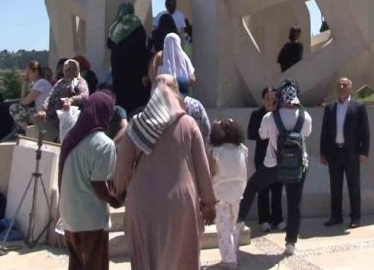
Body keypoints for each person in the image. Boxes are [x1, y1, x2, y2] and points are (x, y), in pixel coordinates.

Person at [114, 76, 216, 270]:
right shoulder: (188, 123)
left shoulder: (136, 125)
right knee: (181, 259)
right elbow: (203, 168)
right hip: (181, 203)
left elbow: (121, 173)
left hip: (142, 203)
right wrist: (209, 203)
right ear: (176, 94)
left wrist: (119, 192)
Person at [238, 80, 312, 256]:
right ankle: (291, 243)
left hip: (272, 164)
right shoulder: (306, 116)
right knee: (295, 203)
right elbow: (306, 134)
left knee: (252, 186)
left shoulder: (269, 117)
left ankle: (239, 219)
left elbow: (262, 135)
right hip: (298, 165)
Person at [59, 92, 121, 270]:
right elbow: (99, 185)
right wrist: (116, 200)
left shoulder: (71, 138)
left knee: (77, 264)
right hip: (91, 218)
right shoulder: (104, 144)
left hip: (70, 216)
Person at [320, 77, 370, 228]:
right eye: (339, 84)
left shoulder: (358, 107)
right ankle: (336, 216)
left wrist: (364, 152)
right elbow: (325, 132)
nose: (341, 86)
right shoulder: (329, 108)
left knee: (353, 186)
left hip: (352, 153)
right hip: (334, 152)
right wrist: (323, 153)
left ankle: (355, 217)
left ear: (350, 88)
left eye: (345, 84)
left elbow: (365, 131)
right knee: (335, 186)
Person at [208, 119, 248, 270]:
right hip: (238, 192)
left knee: (223, 228)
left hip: (220, 193)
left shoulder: (215, 151)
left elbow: (211, 172)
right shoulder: (242, 148)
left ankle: (229, 260)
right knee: (233, 224)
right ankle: (233, 253)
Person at [248, 87, 284, 232]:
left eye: (273, 98)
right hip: (263, 157)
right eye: (268, 98)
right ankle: (264, 219)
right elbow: (251, 133)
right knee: (263, 189)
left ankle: (278, 219)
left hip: (279, 157)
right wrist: (267, 132)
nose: (270, 101)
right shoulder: (257, 114)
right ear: (263, 100)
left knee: (277, 189)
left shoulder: (281, 114)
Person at [107, 2, 151, 114]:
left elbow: (109, 44)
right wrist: (145, 72)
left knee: (121, 99)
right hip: (135, 71)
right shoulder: (137, 26)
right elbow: (143, 51)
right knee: (135, 101)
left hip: (118, 70)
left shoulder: (115, 27)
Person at [35, 59, 89, 142]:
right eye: (68, 70)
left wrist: (71, 100)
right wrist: (43, 109)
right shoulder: (60, 82)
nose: (71, 72)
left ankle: (62, 138)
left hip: (73, 118)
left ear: (78, 70)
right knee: (38, 118)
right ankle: (57, 137)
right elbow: (50, 97)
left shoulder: (81, 82)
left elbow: (84, 96)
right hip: (56, 118)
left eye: (73, 69)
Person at [9, 61, 53, 132]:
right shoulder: (41, 83)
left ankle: (28, 130)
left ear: (35, 71)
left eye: (28, 73)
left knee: (13, 108)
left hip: (44, 114)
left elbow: (24, 102)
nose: (27, 75)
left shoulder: (40, 83)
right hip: (42, 112)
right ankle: (27, 129)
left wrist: (25, 83)